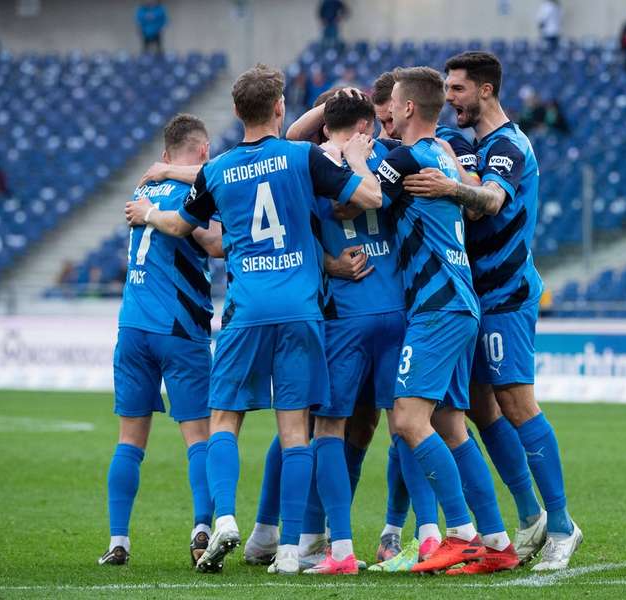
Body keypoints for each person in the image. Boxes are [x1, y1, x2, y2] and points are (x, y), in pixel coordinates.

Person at [124, 64, 382, 575]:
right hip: (301, 309)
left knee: (224, 420)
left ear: (236, 113)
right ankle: (289, 550)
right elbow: (367, 197)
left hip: (246, 308)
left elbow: (187, 226)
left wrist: (147, 215)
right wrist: (356, 158)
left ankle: (224, 517)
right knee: (294, 430)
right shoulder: (303, 156)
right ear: (280, 108)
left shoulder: (217, 170)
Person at [241, 89, 441, 575]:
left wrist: (329, 264)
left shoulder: (308, 163)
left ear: (325, 127)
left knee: (321, 429)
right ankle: (431, 535)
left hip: (344, 316)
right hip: (396, 308)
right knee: (408, 426)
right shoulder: (392, 156)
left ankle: (339, 547)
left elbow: (289, 144)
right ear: (370, 122)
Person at [403, 50, 583, 571]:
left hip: (505, 294)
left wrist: (450, 187)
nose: (450, 98)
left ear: (485, 90)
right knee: (480, 410)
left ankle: (563, 526)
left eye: (457, 89)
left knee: (517, 401)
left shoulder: (510, 145)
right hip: (468, 296)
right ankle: (530, 520)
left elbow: (491, 201)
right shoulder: (459, 142)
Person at [374, 66, 519, 575]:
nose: (387, 111)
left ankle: (459, 533)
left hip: (436, 308)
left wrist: (347, 152)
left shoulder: (409, 156)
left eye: (392, 103)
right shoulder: (445, 154)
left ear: (409, 108)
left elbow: (361, 197)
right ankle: (499, 542)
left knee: (409, 420)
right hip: (461, 304)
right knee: (452, 426)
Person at [99, 114, 222, 568]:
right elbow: (216, 244)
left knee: (129, 440)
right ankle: (202, 530)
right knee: (199, 437)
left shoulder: (143, 191)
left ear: (166, 154)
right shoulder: (199, 189)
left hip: (132, 328)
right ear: (204, 151)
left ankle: (118, 540)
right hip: (179, 329)